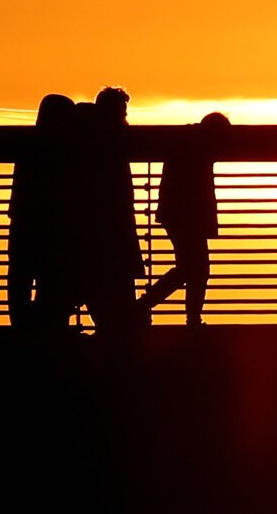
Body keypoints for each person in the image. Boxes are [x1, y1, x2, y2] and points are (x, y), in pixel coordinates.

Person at [137, 112, 230, 327]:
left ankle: (149, 306)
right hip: (188, 215)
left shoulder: (183, 138)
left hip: (177, 214)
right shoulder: (198, 144)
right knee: (194, 268)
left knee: (191, 267)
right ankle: (147, 306)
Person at [73, 87, 143, 333]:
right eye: (122, 111)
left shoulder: (84, 136)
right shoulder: (111, 140)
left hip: (97, 227)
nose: (125, 116)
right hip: (112, 225)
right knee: (116, 285)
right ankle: (118, 335)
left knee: (99, 285)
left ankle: (110, 333)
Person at [7, 94, 77, 332]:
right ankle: (49, 328)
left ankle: (24, 328)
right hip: (50, 225)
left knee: (20, 278)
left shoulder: (26, 145)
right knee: (50, 278)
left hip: (24, 222)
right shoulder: (64, 149)